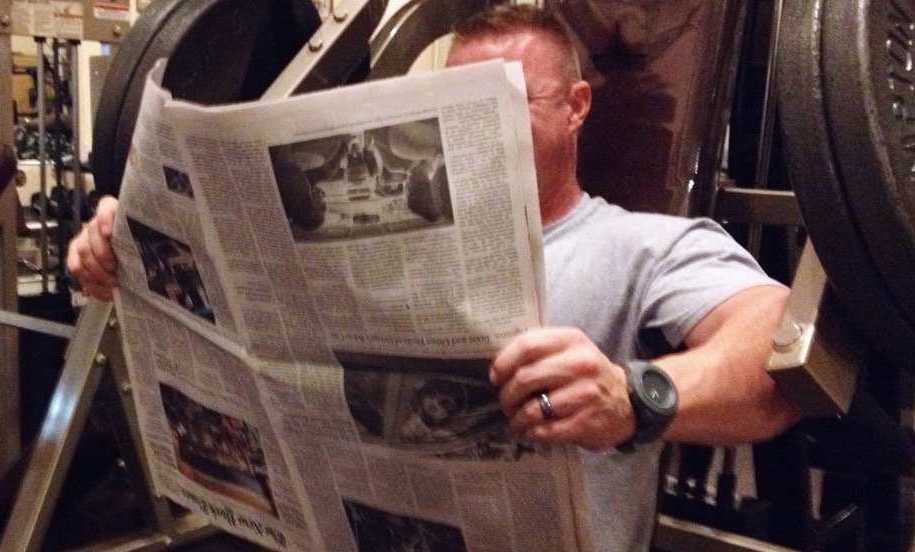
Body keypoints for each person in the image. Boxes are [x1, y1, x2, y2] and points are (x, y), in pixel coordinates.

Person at [68, 5, 801, 551]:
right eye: (457, 110)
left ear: (576, 108)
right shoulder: (363, 245)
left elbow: (775, 345)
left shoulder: (640, 246)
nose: (476, 127)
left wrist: (636, 396)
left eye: (509, 102)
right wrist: (126, 249)